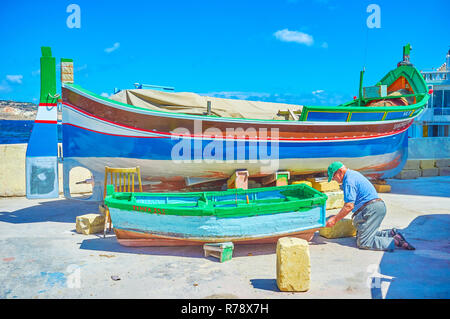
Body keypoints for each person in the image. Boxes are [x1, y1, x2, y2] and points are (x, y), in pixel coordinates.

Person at [325, 161, 415, 251]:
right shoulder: (353, 174)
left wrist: (335, 219)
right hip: (375, 207)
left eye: (333, 176)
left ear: (340, 172)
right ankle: (391, 234)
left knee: (364, 242)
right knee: (362, 236)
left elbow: (349, 206)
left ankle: (393, 242)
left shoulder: (348, 181)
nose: (334, 179)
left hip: (370, 209)